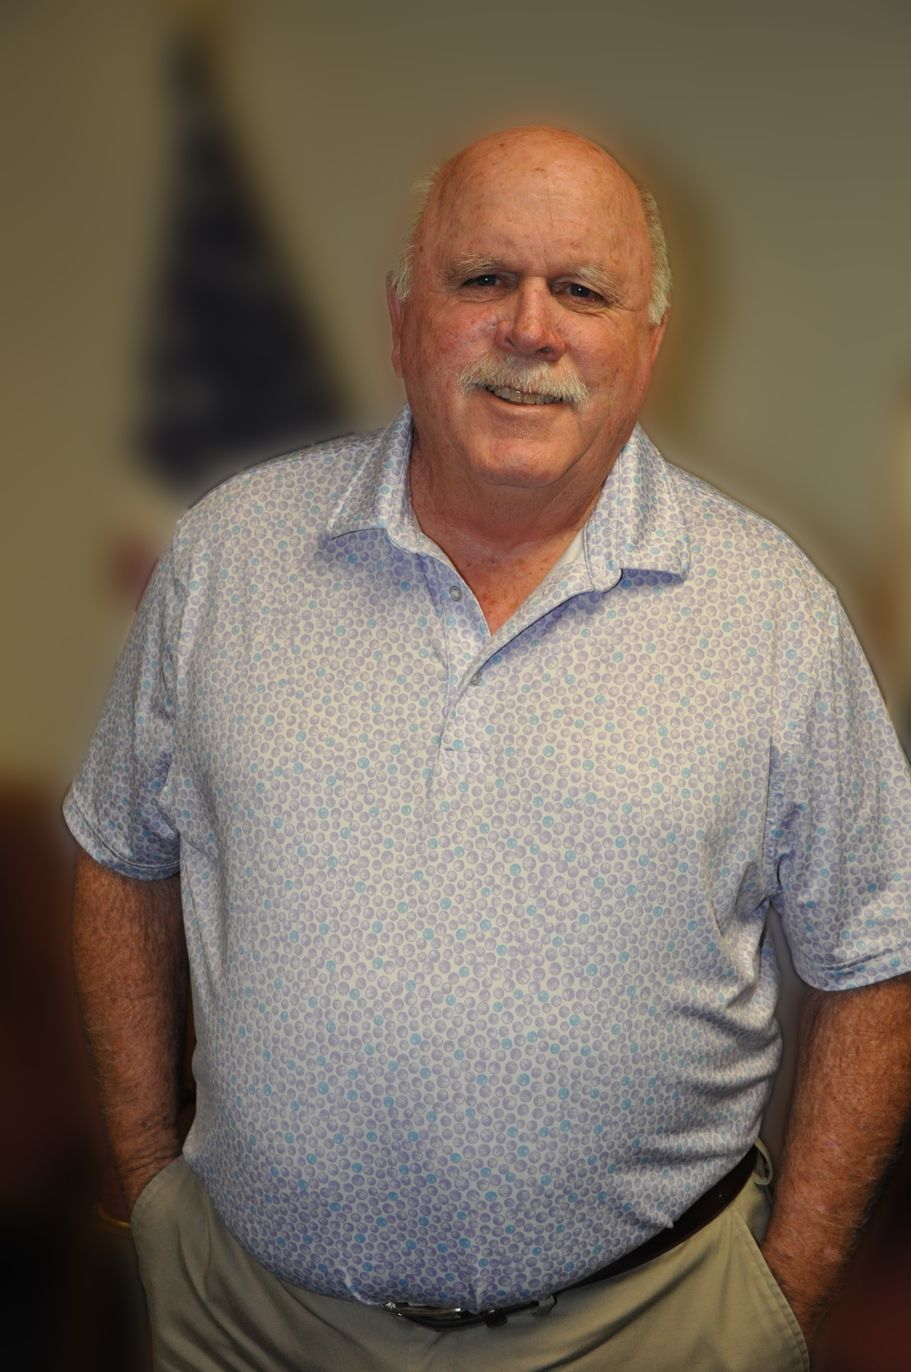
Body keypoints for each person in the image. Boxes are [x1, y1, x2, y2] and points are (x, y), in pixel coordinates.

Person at [66, 126, 911, 1372]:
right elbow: (116, 852)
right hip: (251, 1326)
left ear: (646, 342)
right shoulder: (226, 562)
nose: (531, 328)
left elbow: (877, 953)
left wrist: (777, 1301)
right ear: (402, 318)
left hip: (647, 1334)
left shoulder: (770, 612)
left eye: (581, 289)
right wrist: (152, 1190)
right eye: (482, 281)